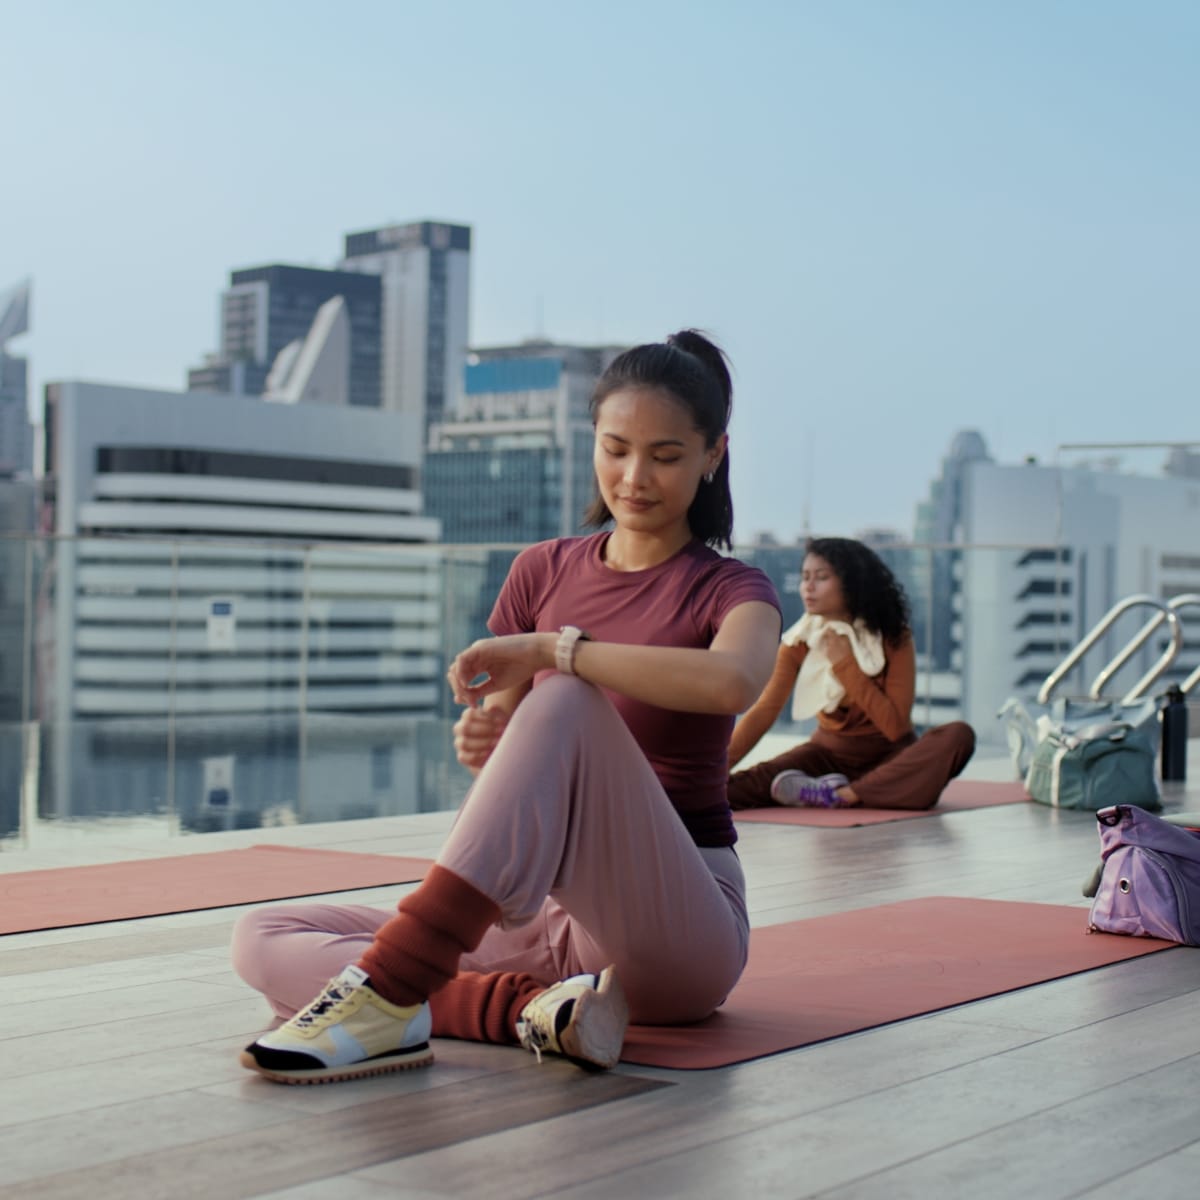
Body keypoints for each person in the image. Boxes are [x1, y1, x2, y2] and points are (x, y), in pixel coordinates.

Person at [234, 330, 782, 1084]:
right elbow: (517, 753)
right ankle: (523, 1010)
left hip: (674, 931)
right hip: (539, 926)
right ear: (590, 438)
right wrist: (488, 737)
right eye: (616, 448)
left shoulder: (731, 588)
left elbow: (732, 683)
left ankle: (394, 992)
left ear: (712, 455)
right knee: (263, 934)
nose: (634, 477)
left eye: (665, 455)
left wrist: (552, 653)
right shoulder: (542, 569)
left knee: (564, 698)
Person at [726, 537, 975, 811]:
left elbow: (895, 727)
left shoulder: (894, 637)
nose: (808, 587)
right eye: (804, 577)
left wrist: (844, 662)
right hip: (825, 757)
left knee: (958, 735)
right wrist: (717, 767)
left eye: (821, 577)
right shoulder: (799, 641)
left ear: (852, 583)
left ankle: (841, 795)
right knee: (725, 791)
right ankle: (844, 792)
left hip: (891, 759)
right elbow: (765, 711)